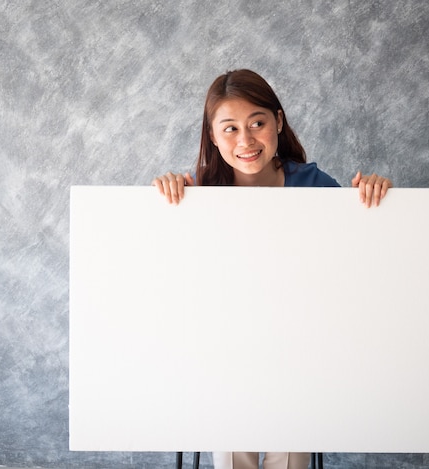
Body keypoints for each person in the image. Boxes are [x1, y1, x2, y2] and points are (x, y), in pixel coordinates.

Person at [152, 69, 392, 469]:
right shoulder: (196, 196)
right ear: (212, 136)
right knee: (231, 444)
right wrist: (167, 199)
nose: (245, 141)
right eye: (229, 129)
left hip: (300, 352)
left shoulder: (315, 186)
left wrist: (373, 199)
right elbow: (170, 277)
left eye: (257, 124)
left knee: (291, 450)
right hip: (223, 354)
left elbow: (355, 266)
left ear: (278, 122)